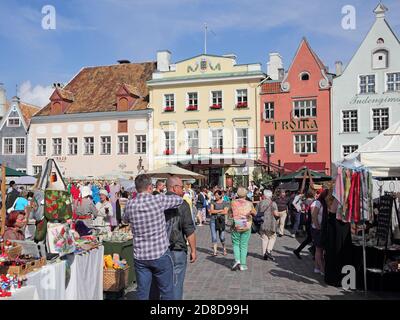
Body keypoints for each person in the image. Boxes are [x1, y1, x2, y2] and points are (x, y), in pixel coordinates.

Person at [122, 174, 184, 300]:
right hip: (160, 253)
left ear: (137, 188)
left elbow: (124, 220)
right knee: (167, 292)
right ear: (150, 187)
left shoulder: (130, 204)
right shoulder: (157, 200)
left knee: (143, 293)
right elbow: (179, 200)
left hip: (140, 256)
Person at [150, 176, 197, 300]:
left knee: (158, 284)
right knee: (176, 283)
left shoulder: (157, 201)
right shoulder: (182, 203)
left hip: (158, 250)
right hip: (177, 248)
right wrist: (193, 250)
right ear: (174, 188)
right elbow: (189, 229)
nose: (183, 190)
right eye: (182, 187)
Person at [230, 187, 256, 271]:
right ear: (246, 194)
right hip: (246, 224)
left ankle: (237, 259)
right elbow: (255, 213)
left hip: (236, 224)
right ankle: (243, 264)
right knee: (244, 244)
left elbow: (230, 213)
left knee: (236, 243)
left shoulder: (233, 202)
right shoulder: (249, 203)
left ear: (237, 194)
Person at [257, 190, 279, 261]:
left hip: (262, 223)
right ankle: (268, 251)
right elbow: (276, 214)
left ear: (264, 195)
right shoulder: (273, 203)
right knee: (273, 236)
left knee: (264, 238)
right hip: (271, 224)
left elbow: (256, 213)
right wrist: (279, 215)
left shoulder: (260, 203)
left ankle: (264, 255)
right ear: (271, 195)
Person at [293, 190, 316, 259]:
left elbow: (302, 208)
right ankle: (313, 252)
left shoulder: (304, 201)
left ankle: (299, 250)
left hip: (306, 219)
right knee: (313, 238)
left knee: (310, 238)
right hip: (311, 221)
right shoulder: (313, 201)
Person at [311, 188, 328, 276]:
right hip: (317, 229)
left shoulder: (323, 202)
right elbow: (314, 216)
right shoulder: (317, 202)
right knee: (319, 249)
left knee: (320, 249)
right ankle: (322, 269)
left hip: (321, 228)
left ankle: (317, 268)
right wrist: (318, 227)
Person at [209, 190, 229, 256]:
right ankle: (215, 251)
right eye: (215, 195)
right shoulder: (213, 202)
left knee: (222, 237)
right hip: (213, 220)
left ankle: (224, 248)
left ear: (220, 195)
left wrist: (215, 211)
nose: (216, 196)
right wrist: (220, 210)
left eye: (217, 195)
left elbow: (225, 212)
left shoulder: (225, 202)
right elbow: (211, 211)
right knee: (214, 237)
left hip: (221, 221)